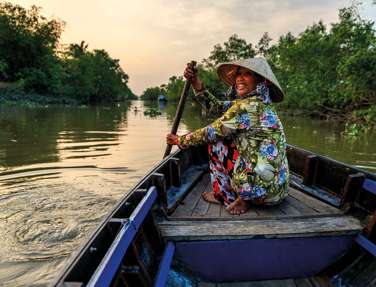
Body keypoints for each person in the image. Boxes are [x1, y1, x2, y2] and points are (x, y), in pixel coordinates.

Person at [166, 58, 289, 215]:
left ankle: (228, 196)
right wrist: (196, 82)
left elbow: (210, 132)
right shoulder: (259, 103)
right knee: (226, 138)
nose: (240, 78)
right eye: (238, 74)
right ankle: (241, 192)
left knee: (216, 143)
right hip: (277, 191)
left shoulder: (247, 107)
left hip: (261, 194)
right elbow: (216, 107)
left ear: (261, 81)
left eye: (247, 74)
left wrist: (179, 140)